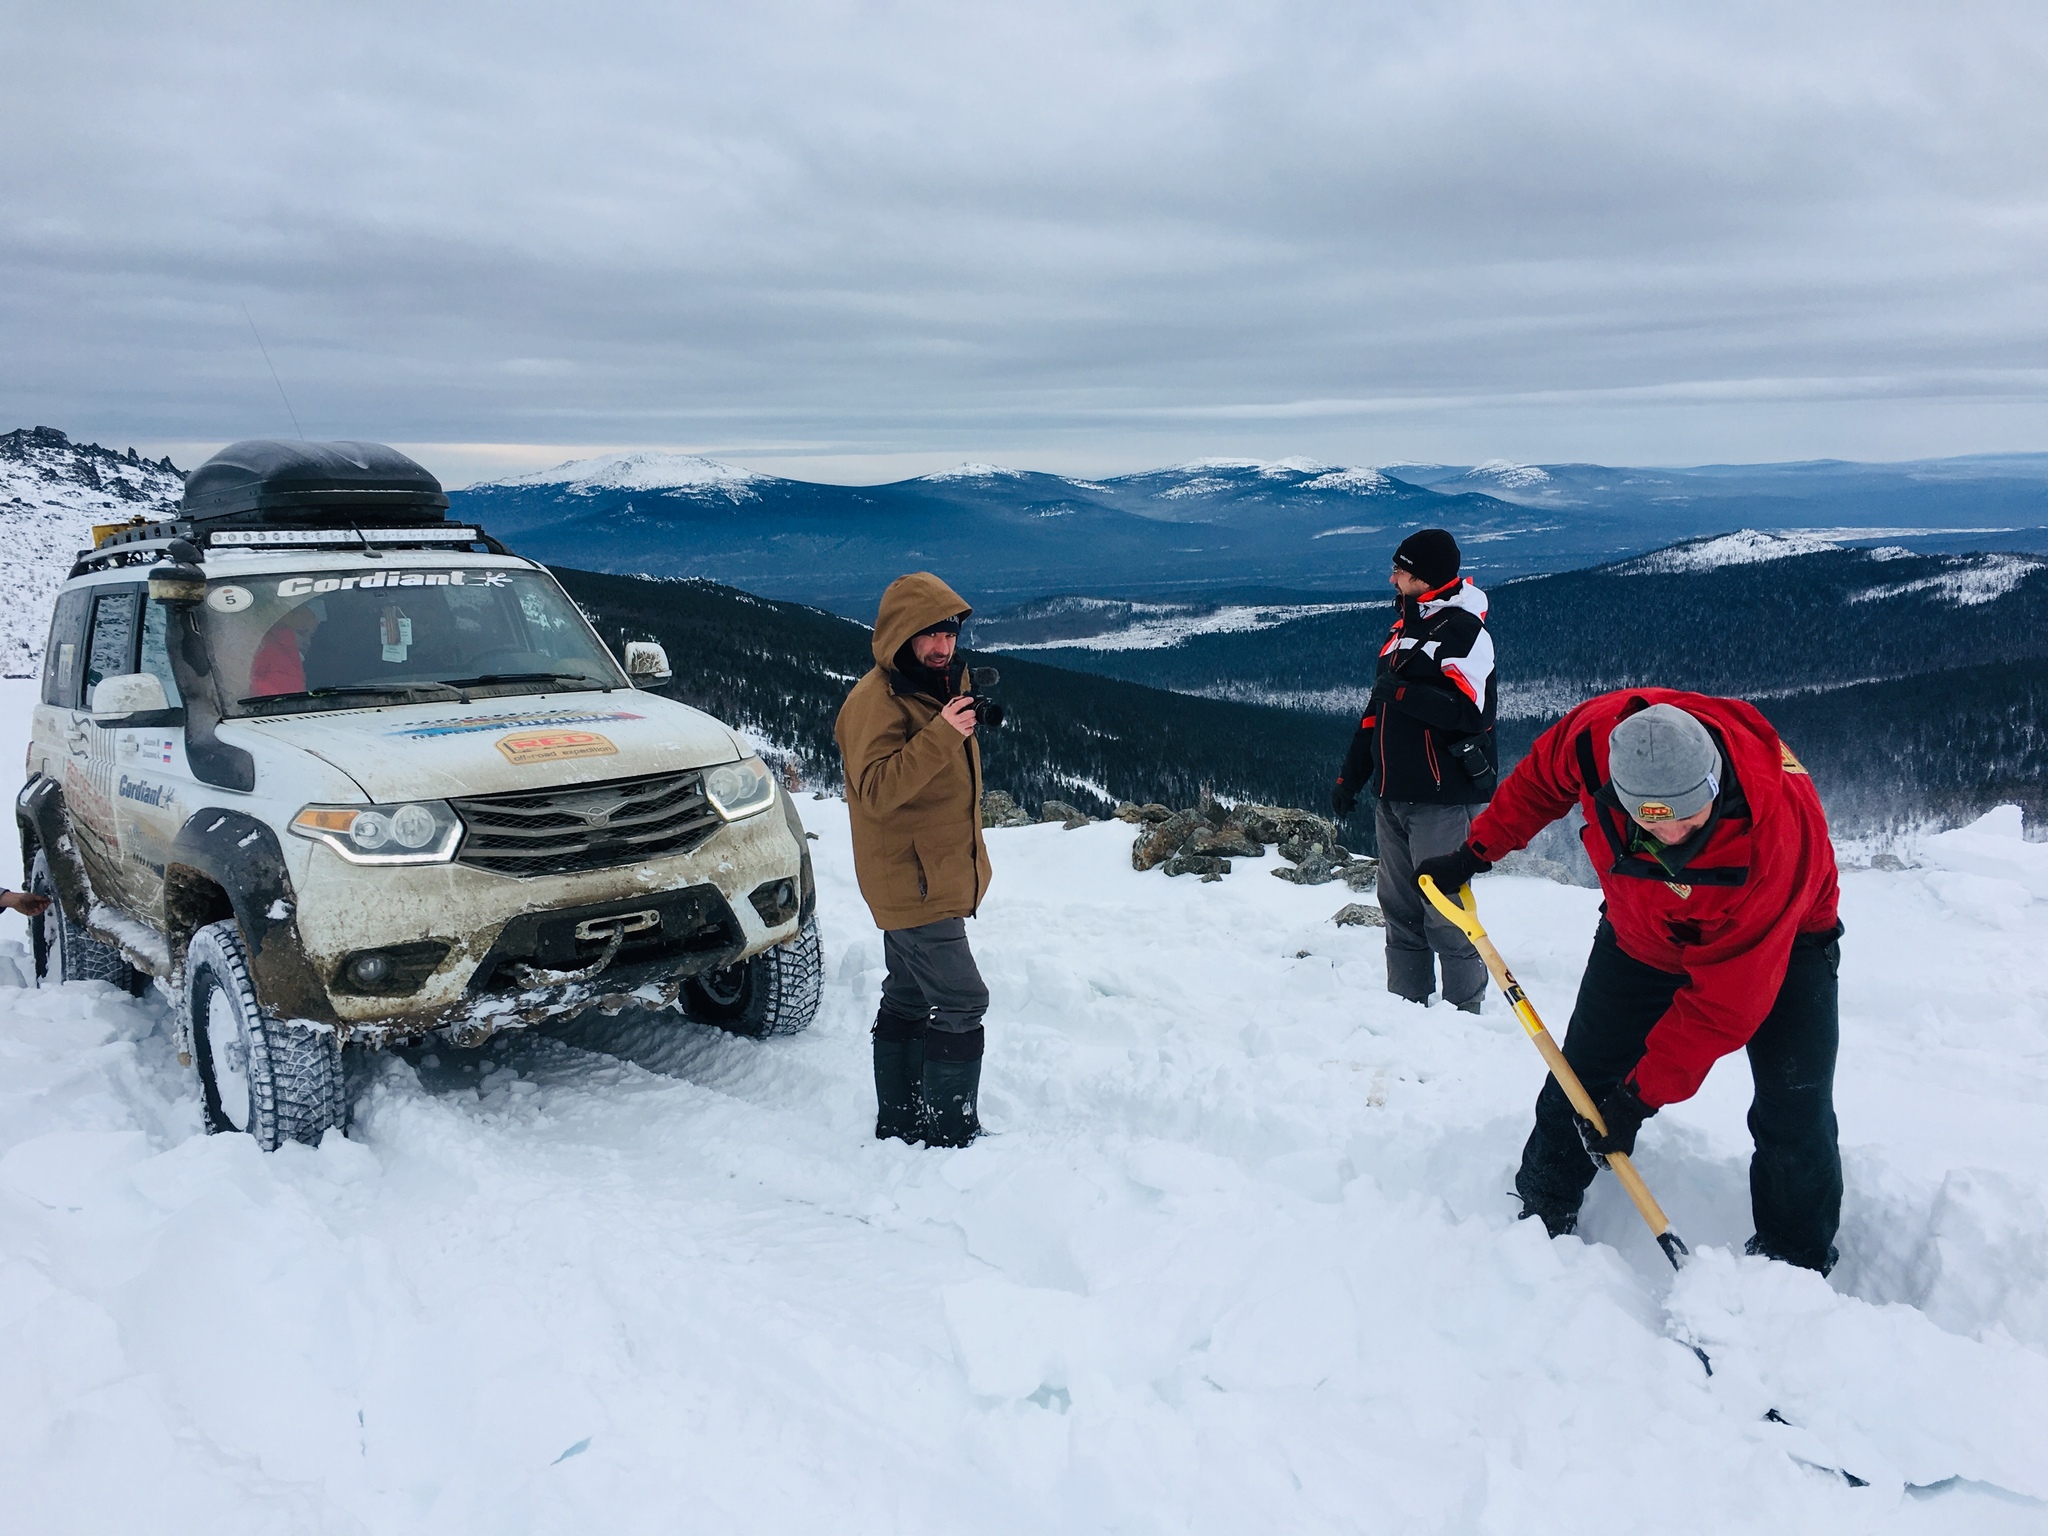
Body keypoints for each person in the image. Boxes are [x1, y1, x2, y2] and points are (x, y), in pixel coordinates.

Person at [1417, 693, 1844, 1274]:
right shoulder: (1599, 739)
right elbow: (1539, 784)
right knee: (1584, 1076)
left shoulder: (1772, 836)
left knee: (1793, 1106)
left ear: (1714, 787)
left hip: (1785, 937)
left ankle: (1792, 1262)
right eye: (1650, 822)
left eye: (1688, 823)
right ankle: (1541, 1212)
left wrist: (1639, 1100)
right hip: (1641, 929)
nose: (1670, 837)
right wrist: (1475, 852)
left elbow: (1721, 1008)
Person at [834, 571, 995, 1148]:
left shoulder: (935, 683)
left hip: (925, 872)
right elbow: (876, 789)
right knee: (962, 999)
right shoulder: (873, 702)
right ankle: (951, 1134)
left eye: (950, 635)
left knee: (908, 992)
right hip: (913, 881)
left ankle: (901, 1122)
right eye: (930, 636)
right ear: (902, 634)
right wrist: (943, 734)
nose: (943, 647)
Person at [1330, 527, 1497, 1011]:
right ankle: (1407, 1010)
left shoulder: (1465, 633)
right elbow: (1373, 718)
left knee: (1444, 908)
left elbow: (1474, 715)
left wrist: (1404, 694)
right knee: (1399, 910)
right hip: (1392, 794)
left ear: (1424, 578)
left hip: (1440, 797)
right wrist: (1351, 777)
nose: (1392, 578)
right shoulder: (1401, 631)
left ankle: (1467, 1012)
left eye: (1400, 571)